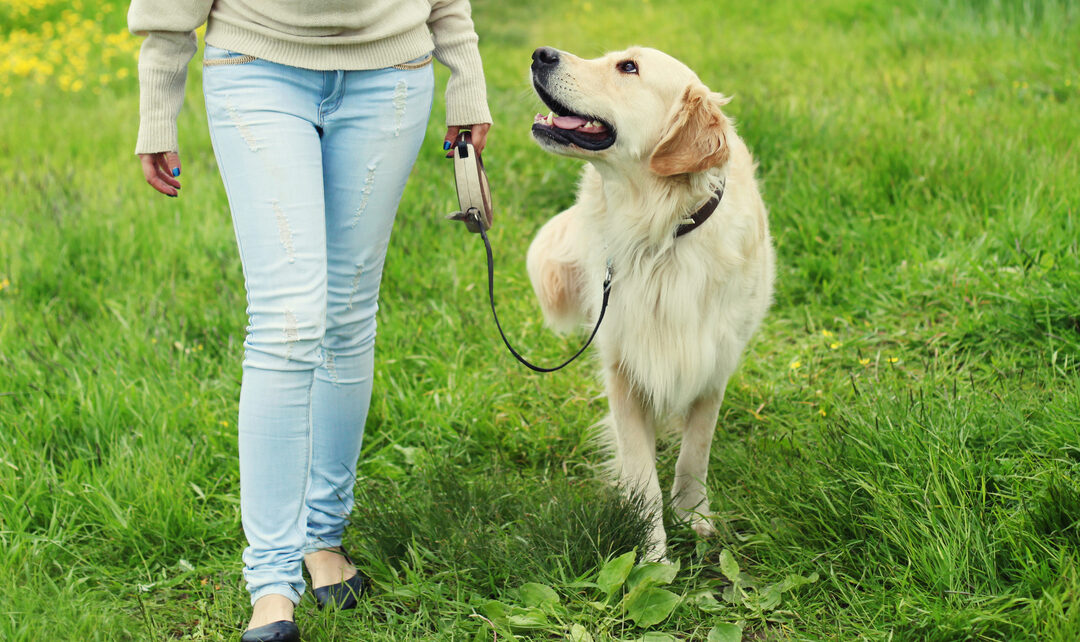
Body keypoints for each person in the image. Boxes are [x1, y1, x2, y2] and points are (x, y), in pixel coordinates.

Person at [128, 1, 491, 640]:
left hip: (393, 72)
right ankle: (270, 583)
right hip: (257, 64)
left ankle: (322, 538)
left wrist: (465, 73)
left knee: (349, 316)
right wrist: (158, 102)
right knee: (287, 321)